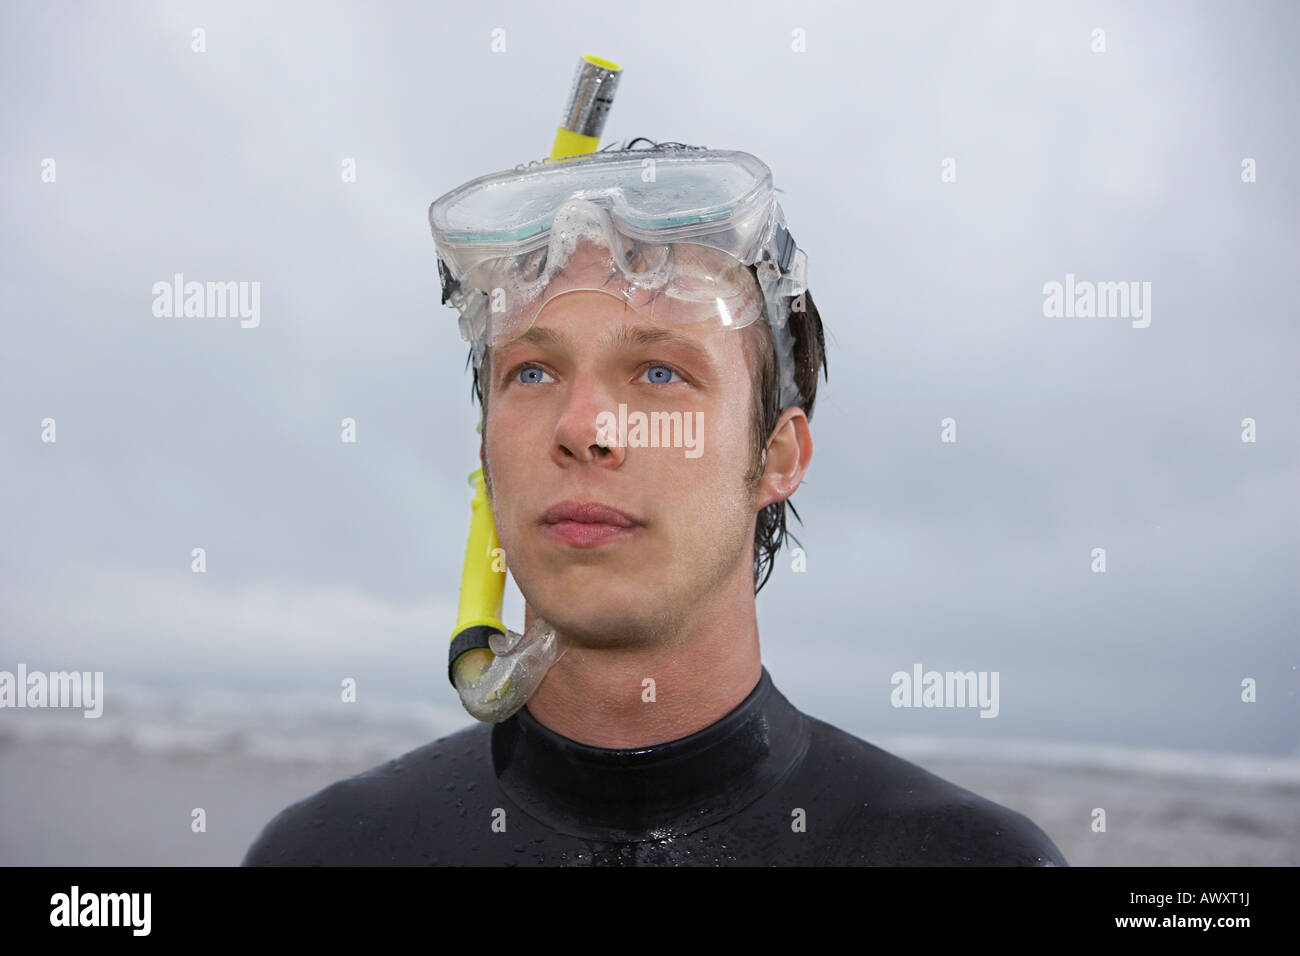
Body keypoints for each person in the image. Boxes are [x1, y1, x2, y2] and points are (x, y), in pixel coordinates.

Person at [243, 143, 1066, 866]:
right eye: (532, 372)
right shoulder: (326, 853)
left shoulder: (960, 858)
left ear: (777, 455)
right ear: (486, 452)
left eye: (660, 373)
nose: (583, 428)